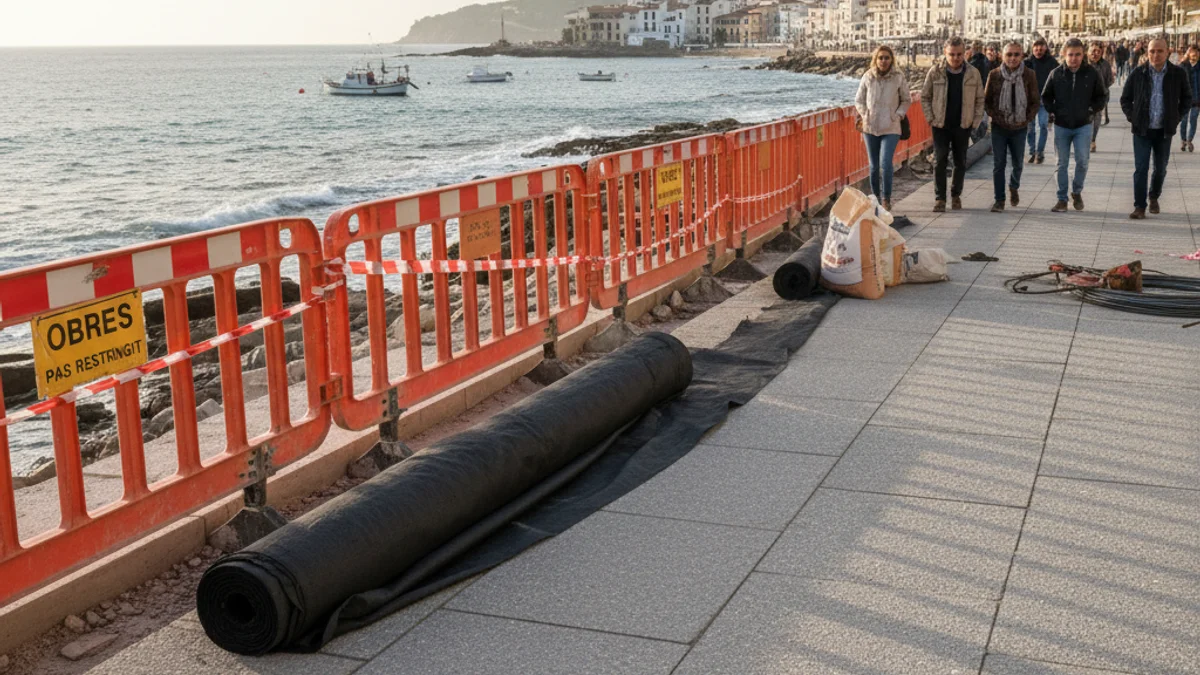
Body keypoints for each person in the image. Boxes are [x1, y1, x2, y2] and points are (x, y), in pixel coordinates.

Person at [1121, 38, 1193, 219]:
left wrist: (1176, 118)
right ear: (1147, 52)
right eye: (1152, 51)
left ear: (1168, 52)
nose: (1155, 55)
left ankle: (1153, 196)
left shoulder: (1178, 73)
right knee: (1141, 168)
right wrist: (1133, 117)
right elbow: (1125, 99)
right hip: (1142, 130)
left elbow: (1187, 98)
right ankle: (1139, 206)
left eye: (1159, 51)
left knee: (1160, 168)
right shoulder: (1139, 73)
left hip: (1164, 130)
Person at [1041, 38, 1108, 212]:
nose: (1074, 58)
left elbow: (1102, 95)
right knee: (1061, 163)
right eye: (1070, 55)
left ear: (1083, 54)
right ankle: (1061, 198)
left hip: (1083, 125)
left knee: (1082, 161)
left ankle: (1076, 191)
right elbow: (1046, 96)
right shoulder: (1056, 74)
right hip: (1062, 125)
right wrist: (1054, 110)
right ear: (1064, 55)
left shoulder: (1091, 73)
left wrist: (1091, 109)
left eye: (1078, 54)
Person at [921, 36, 985, 212]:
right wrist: (930, 118)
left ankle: (956, 195)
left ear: (965, 53)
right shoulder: (935, 72)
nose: (956, 58)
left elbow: (980, 99)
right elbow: (925, 96)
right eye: (952, 54)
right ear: (945, 53)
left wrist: (976, 120)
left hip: (962, 124)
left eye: (959, 54)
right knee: (939, 160)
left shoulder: (973, 73)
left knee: (960, 162)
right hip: (940, 124)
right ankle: (940, 199)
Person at [985, 41, 1040, 212]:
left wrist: (1026, 119)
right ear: (1002, 55)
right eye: (1009, 54)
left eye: (1016, 54)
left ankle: (1014, 186)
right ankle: (999, 200)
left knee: (1018, 164)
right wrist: (996, 116)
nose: (1013, 58)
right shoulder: (994, 75)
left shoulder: (1029, 74)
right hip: (999, 127)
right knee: (998, 164)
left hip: (1019, 127)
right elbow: (987, 101)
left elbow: (1034, 101)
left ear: (1022, 55)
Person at [855, 45, 910, 211]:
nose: (883, 61)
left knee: (885, 162)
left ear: (891, 59)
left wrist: (898, 114)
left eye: (887, 57)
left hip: (891, 126)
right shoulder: (868, 77)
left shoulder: (898, 77)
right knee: (873, 166)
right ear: (875, 60)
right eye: (880, 58)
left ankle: (886, 198)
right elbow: (859, 100)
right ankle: (876, 199)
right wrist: (865, 114)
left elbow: (906, 99)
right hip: (870, 126)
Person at [1025, 38, 1059, 163]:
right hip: (1030, 100)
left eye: (1041, 48)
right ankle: (1032, 151)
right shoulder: (1027, 62)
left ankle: (1040, 152)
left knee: (1043, 125)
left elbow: (1058, 80)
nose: (1038, 50)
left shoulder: (1052, 62)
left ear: (1045, 48)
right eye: (1036, 48)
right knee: (1030, 127)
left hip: (1045, 99)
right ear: (1032, 48)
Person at [1089, 42, 1115, 150]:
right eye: (1093, 51)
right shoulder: (1083, 63)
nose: (1095, 54)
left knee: (1097, 119)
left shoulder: (1105, 65)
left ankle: (1092, 140)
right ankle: (1087, 139)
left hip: (1100, 97)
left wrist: (1103, 88)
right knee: (1088, 118)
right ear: (1088, 51)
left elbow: (1110, 80)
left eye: (1098, 51)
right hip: (1085, 96)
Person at [1178, 44, 1200, 152]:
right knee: (1184, 121)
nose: (1195, 54)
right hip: (1185, 99)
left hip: (1197, 99)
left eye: (1196, 52)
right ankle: (1183, 140)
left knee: (1193, 120)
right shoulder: (1184, 66)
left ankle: (1189, 140)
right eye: (1192, 52)